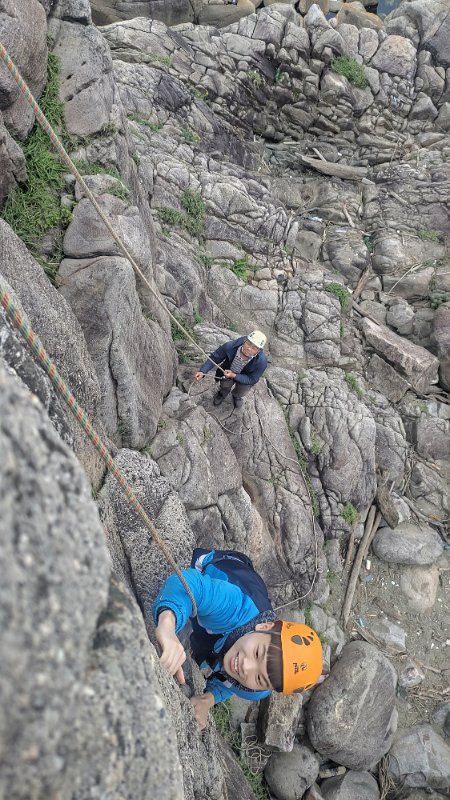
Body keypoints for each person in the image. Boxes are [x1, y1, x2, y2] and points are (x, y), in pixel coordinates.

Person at [153, 548, 323, 730]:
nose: (246, 667)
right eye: (257, 653)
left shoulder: (256, 690)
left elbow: (230, 685)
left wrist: (207, 699)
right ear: (265, 626)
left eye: (259, 678)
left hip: (232, 620)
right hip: (226, 571)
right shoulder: (234, 607)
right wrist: (168, 626)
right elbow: (192, 586)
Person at [194, 330, 268, 409]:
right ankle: (222, 394)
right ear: (245, 340)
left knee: (242, 390)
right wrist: (203, 371)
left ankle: (236, 396)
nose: (249, 348)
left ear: (259, 351)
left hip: (244, 377)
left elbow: (252, 379)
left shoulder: (261, 362)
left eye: (254, 348)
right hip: (227, 371)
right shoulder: (230, 347)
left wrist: (235, 376)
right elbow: (214, 358)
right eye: (249, 343)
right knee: (224, 385)